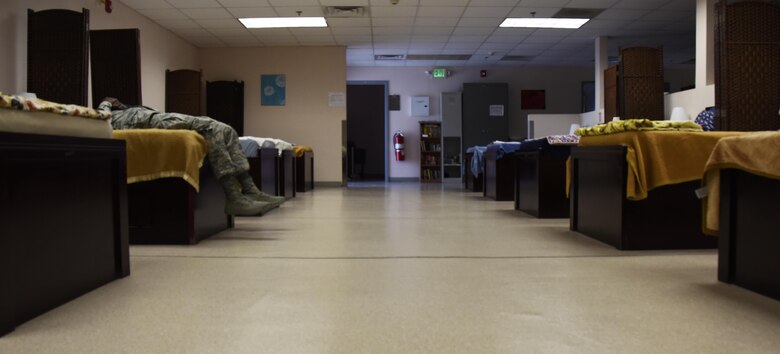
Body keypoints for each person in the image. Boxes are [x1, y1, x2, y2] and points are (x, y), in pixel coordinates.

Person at [99, 97, 285, 216]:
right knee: (210, 126)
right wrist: (108, 102)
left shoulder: (125, 108)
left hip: (149, 115)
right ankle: (233, 196)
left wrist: (122, 105)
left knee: (226, 129)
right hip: (141, 121)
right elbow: (102, 116)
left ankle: (250, 189)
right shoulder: (104, 114)